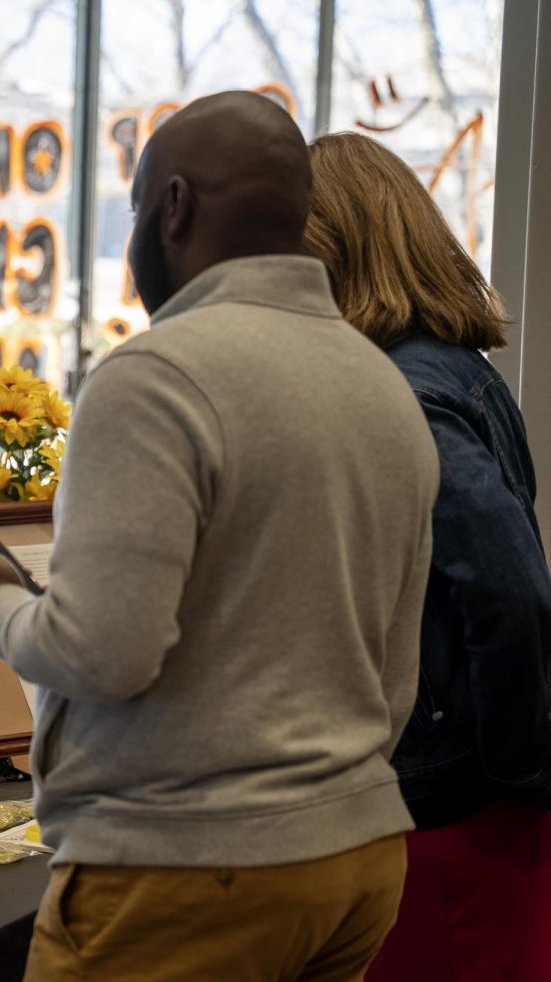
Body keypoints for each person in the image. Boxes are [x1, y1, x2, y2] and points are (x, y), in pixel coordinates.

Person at [0, 91, 440, 981]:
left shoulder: (157, 376)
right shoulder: (383, 386)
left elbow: (102, 652)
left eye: (139, 206)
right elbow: (391, 667)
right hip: (357, 855)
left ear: (173, 207)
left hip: (187, 867)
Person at [304, 132, 551, 981]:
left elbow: (510, 592)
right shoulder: (457, 367)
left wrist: (512, 761)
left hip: (453, 812)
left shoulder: (405, 394)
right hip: (473, 802)